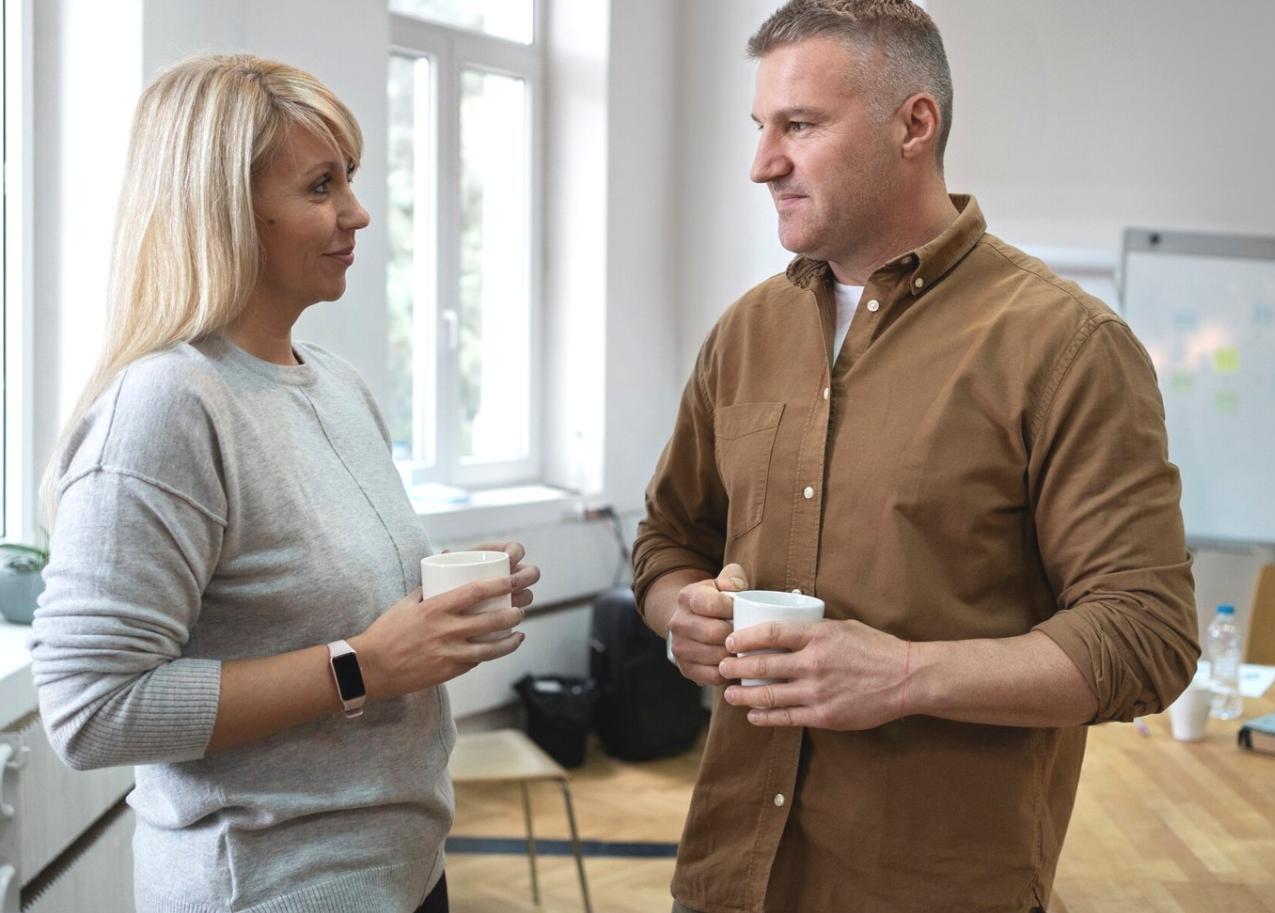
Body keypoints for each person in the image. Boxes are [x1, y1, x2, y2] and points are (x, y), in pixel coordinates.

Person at [632, 2, 1199, 911]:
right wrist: (680, 615)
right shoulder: (746, 332)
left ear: (913, 124)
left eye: (799, 126)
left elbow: (1146, 635)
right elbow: (667, 539)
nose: (760, 163)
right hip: (732, 875)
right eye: (760, 128)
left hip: (934, 884)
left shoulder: (1065, 345)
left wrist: (900, 675)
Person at [28, 55, 537, 913]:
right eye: (320, 186)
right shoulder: (166, 405)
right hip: (269, 888)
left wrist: (429, 597)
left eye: (352, 180)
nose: (357, 213)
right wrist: (361, 667)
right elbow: (90, 708)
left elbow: (300, 604)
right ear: (227, 208)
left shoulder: (334, 383)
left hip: (402, 868)